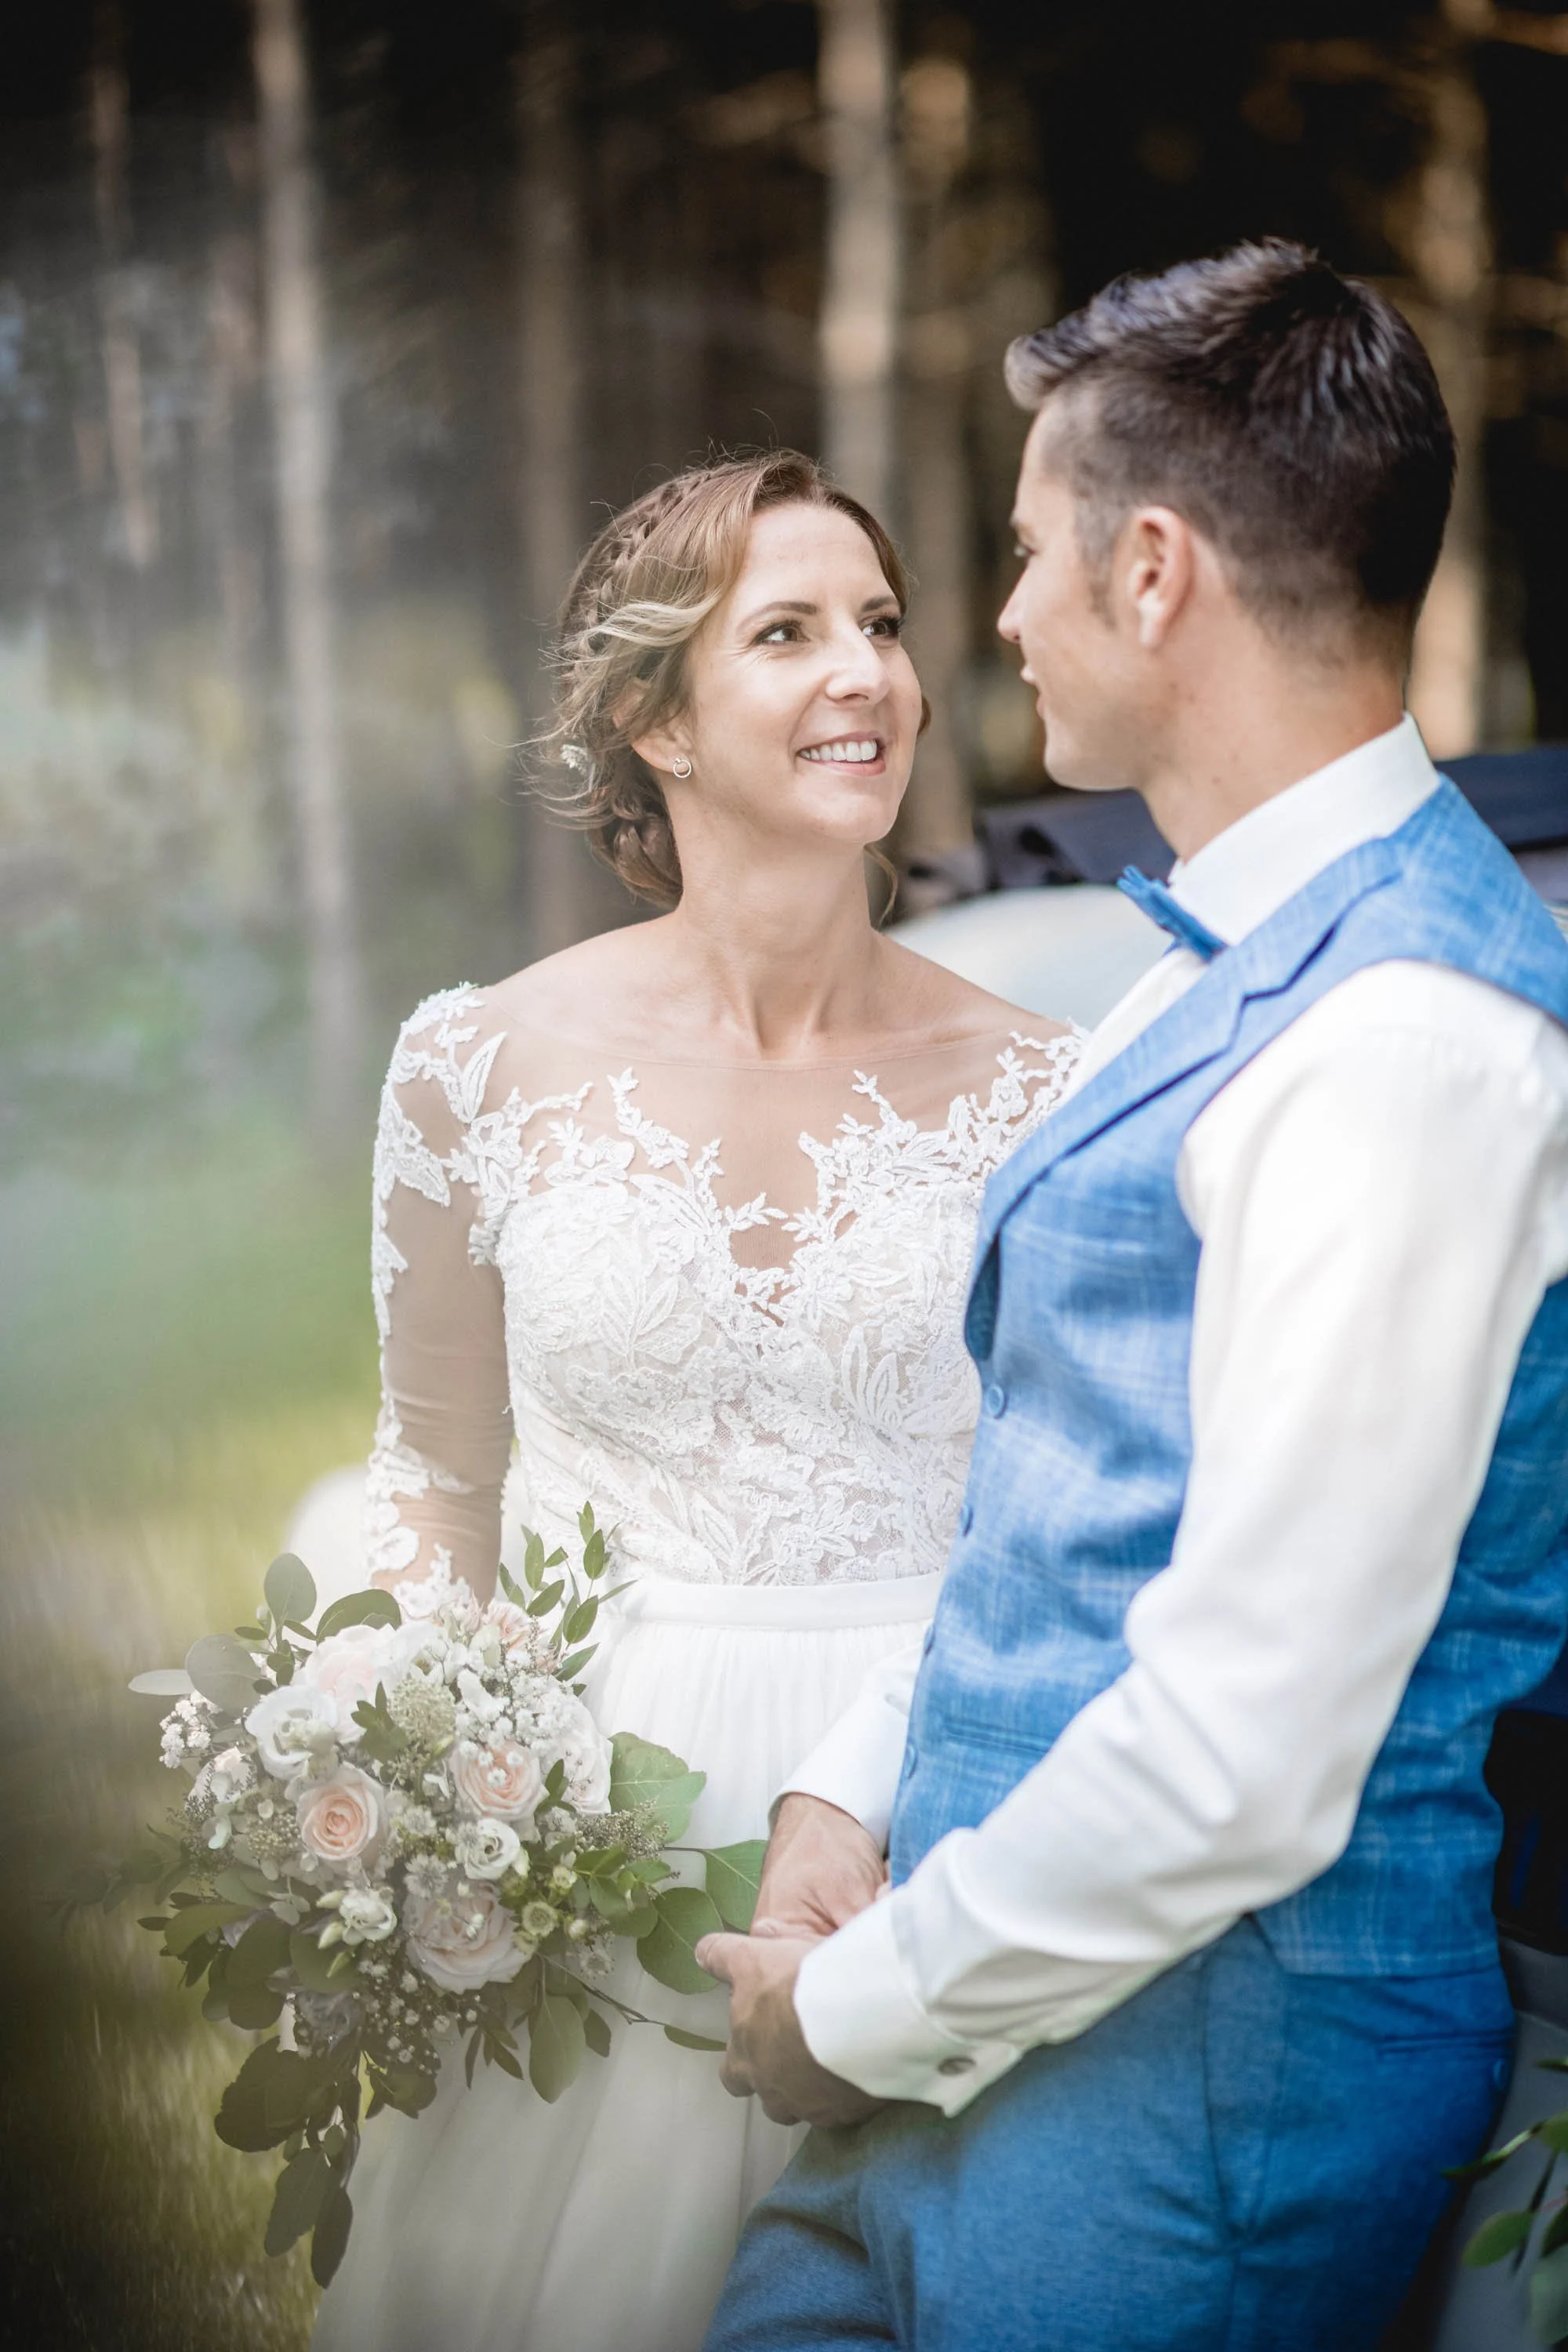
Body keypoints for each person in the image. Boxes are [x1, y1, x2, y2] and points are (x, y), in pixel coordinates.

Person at [699, 243, 1568, 2352]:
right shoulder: (1207, 965)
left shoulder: (1407, 1036)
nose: (999, 619)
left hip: (1193, 2123)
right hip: (979, 2034)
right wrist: (850, 1785)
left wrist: (855, 2014)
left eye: (1025, 552)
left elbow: (1246, 1750)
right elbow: (1063, 1490)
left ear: (1153, 571)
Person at [308, 448, 1080, 2352]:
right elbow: (435, 1480)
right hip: (584, 1825)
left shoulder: (1048, 1089)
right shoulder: (476, 1064)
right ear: (654, 719)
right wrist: (422, 1770)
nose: (868, 674)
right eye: (789, 634)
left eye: (882, 626)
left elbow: (1064, 1502)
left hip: (926, 1804)